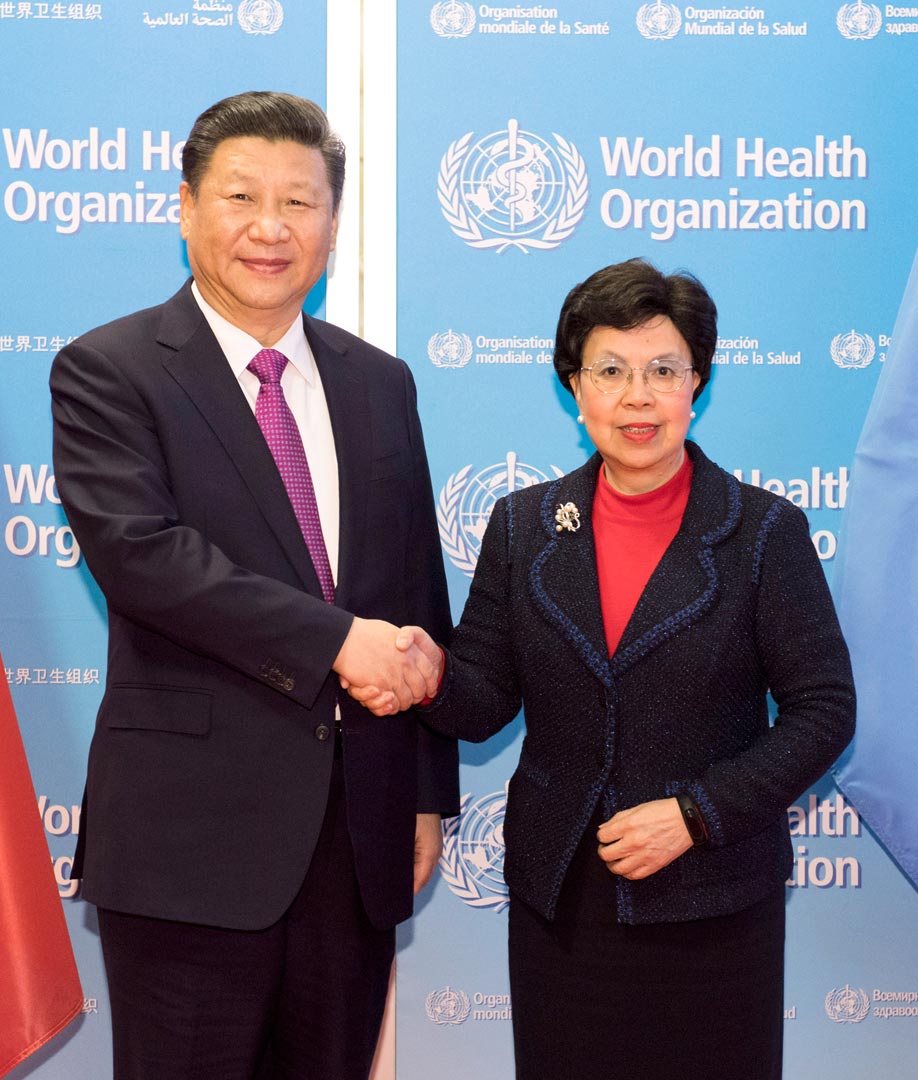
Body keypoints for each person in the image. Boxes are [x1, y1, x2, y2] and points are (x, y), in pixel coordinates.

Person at [351, 259, 856, 1079]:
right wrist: (429, 675)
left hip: (714, 895)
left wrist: (695, 814)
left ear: (698, 385)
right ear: (574, 389)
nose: (637, 398)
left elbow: (824, 710)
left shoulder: (763, 532)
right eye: (611, 371)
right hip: (565, 900)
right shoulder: (524, 526)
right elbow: (484, 696)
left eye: (664, 371)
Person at [50, 90, 458, 1080]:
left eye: (299, 202)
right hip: (191, 845)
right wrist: (337, 642)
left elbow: (414, 589)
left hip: (355, 840)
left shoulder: (380, 383)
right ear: (186, 207)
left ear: (332, 223)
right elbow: (146, 559)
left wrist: (423, 794)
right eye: (241, 197)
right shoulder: (109, 370)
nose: (270, 228)